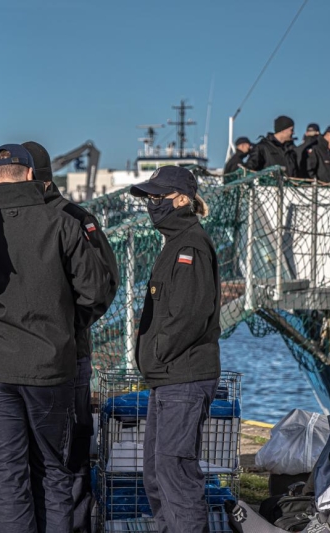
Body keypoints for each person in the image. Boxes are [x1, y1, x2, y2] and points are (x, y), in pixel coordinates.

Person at [0, 144, 110, 532]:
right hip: (51, 366)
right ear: (31, 176)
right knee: (53, 472)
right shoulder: (61, 220)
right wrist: (64, 326)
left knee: (9, 472)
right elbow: (95, 291)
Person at [23, 140, 119, 532]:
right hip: (29, 357)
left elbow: (105, 283)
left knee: (73, 448)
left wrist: (68, 323)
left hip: (69, 354)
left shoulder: (76, 218)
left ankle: (75, 524)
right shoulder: (21, 218)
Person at [129, 166, 222, 533]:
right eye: (149, 198)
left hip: (182, 376)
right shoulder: (176, 241)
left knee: (176, 473)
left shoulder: (190, 245)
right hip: (167, 377)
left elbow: (189, 314)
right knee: (156, 473)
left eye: (158, 197)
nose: (151, 204)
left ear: (182, 199)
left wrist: (156, 353)